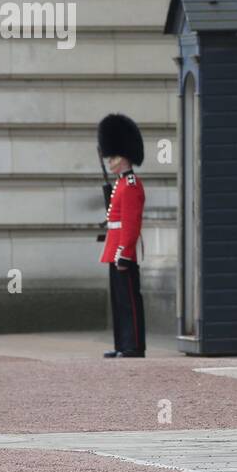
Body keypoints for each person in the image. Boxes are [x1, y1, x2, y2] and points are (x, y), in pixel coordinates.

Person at [98, 114, 146, 359]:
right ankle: (122, 343)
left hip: (122, 250)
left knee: (128, 299)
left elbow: (131, 223)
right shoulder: (120, 184)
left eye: (114, 157)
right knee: (119, 301)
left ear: (125, 157)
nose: (110, 162)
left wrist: (124, 253)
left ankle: (134, 345)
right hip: (114, 246)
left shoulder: (131, 184)